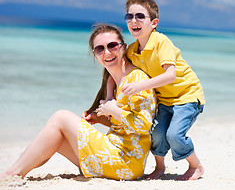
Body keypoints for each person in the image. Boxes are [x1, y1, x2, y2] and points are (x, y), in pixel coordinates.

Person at [0, 23, 156, 180]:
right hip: (115, 156)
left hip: (126, 163)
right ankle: (15, 172)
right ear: (94, 54)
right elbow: (125, 127)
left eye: (112, 45)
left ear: (123, 47)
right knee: (56, 138)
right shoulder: (112, 81)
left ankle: (14, 173)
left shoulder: (137, 79)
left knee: (61, 117)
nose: (106, 52)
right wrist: (100, 118)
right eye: (99, 49)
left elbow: (144, 126)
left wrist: (112, 110)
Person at [108, 0, 205, 180]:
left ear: (154, 23)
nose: (133, 21)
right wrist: (108, 96)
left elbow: (171, 75)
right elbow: (114, 71)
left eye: (140, 16)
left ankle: (196, 165)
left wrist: (139, 86)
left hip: (187, 96)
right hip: (165, 100)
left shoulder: (161, 42)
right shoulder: (132, 50)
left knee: (174, 135)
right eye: (129, 16)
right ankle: (160, 168)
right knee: (157, 136)